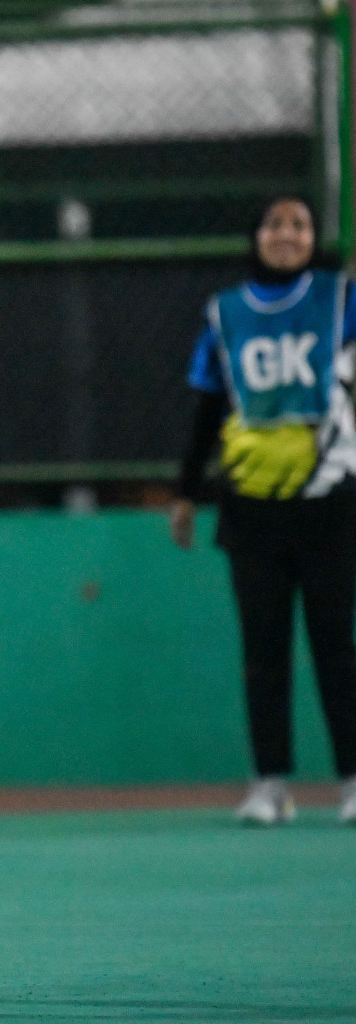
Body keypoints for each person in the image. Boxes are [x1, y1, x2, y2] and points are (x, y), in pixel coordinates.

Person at [170, 195, 356, 827]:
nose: (287, 234)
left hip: (329, 501)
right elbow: (205, 408)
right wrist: (186, 491)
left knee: (337, 647)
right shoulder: (225, 315)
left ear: (313, 237)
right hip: (251, 508)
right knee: (263, 650)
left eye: (300, 224)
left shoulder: (339, 299)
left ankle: (353, 780)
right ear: (255, 235)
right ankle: (271, 783)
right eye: (274, 224)